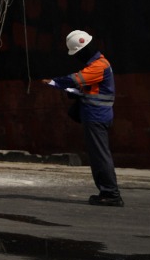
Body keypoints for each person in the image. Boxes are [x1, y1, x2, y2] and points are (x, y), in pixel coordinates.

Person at [43, 30, 123, 207]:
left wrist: (55, 82)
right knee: (98, 155)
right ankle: (107, 192)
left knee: (100, 156)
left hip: (96, 116)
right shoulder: (98, 64)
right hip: (95, 116)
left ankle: (111, 194)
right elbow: (90, 88)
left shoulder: (98, 66)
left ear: (83, 50)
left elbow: (76, 79)